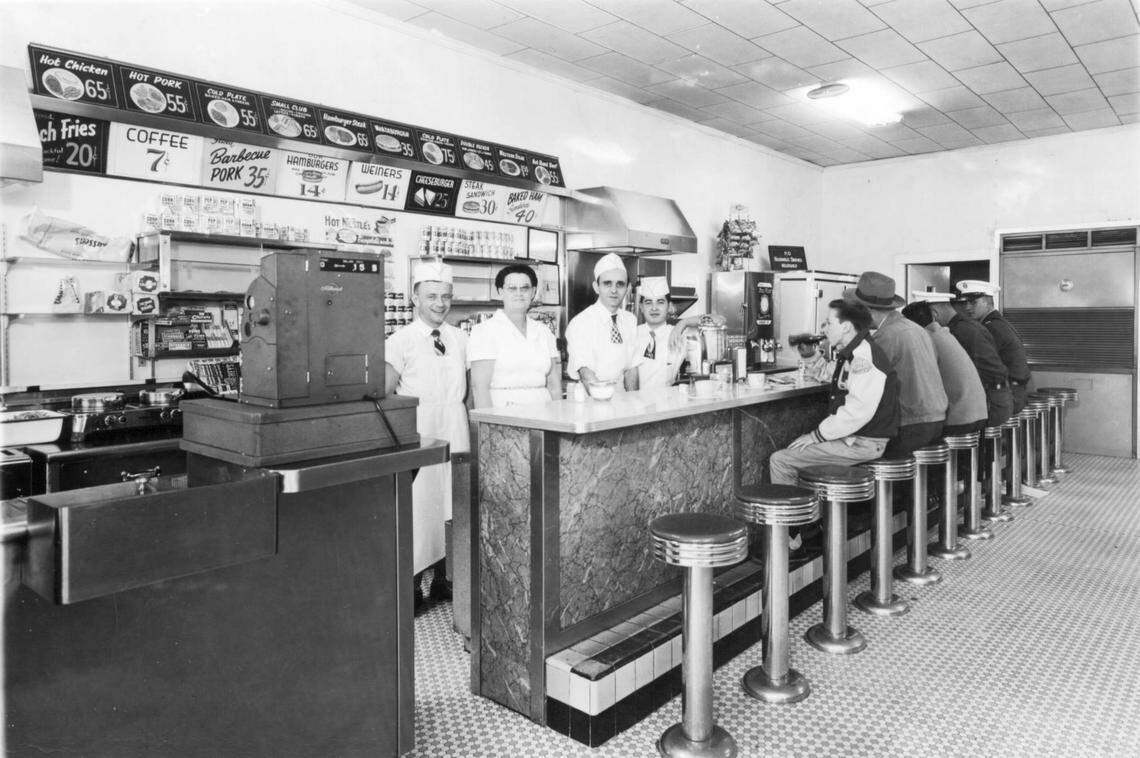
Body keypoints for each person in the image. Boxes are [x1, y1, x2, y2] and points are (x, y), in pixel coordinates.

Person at [385, 260, 468, 611]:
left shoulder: (460, 337)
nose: (440, 303)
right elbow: (386, 393)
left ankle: (445, 580)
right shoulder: (399, 341)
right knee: (419, 507)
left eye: (446, 296)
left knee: (453, 504)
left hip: (455, 425)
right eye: (432, 296)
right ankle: (412, 585)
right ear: (415, 298)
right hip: (419, 430)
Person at [769, 298, 899, 485]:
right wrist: (809, 354)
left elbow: (857, 412)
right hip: (856, 438)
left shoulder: (863, 358)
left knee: (781, 461)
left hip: (862, 442)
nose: (824, 329)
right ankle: (810, 503)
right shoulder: (854, 352)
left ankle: (800, 504)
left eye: (829, 323)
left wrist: (817, 435)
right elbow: (829, 374)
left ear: (846, 327)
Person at [846, 271, 947, 456]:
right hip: (936, 420)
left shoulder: (886, 336)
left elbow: (866, 383)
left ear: (866, 310)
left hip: (909, 425)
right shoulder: (917, 329)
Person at [468, 263, 561, 408]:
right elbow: (480, 390)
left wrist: (558, 415)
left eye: (525, 288)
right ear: (500, 292)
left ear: (533, 292)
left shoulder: (544, 332)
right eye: (512, 288)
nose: (519, 293)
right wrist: (488, 421)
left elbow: (554, 385)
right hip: (502, 412)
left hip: (544, 411)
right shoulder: (484, 332)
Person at [902, 296, 987, 435]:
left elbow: (920, 381)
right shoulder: (943, 334)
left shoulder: (926, 340)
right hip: (979, 413)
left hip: (959, 418)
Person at [926, 294, 1011, 427]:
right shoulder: (970, 325)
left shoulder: (956, 331)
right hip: (1000, 395)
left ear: (934, 314)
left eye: (973, 302)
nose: (967, 307)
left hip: (990, 400)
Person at [565, 253, 638, 394]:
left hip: (622, 399)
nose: (614, 290)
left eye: (620, 284)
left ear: (628, 288)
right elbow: (586, 374)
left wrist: (633, 401)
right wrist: (604, 402)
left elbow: (632, 369)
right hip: (591, 398)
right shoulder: (580, 323)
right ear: (596, 287)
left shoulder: (630, 320)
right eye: (607, 283)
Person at [957, 280, 1031, 415]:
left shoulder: (991, 327)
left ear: (987, 302)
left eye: (973, 302)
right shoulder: (998, 323)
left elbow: (985, 366)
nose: (967, 307)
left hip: (1008, 396)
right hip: (1015, 392)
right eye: (965, 302)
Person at [633, 277, 719, 388]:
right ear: (641, 307)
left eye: (660, 302)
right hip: (634, 398)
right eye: (648, 303)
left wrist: (683, 323)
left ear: (669, 307)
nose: (654, 308)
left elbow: (719, 320)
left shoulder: (678, 334)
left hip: (666, 397)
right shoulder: (632, 334)